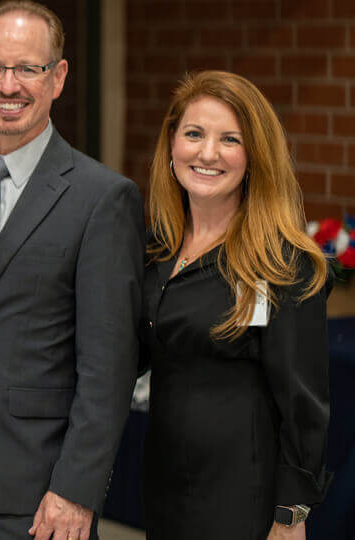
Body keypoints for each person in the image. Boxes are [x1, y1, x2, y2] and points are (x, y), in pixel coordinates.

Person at [0, 0, 144, 540]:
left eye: (27, 69)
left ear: (57, 77)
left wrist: (76, 489)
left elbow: (108, 368)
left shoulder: (102, 198)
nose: (8, 85)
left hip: (42, 486)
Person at [142, 69, 331, 540]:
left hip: (244, 503)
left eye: (230, 139)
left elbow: (303, 405)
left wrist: (291, 517)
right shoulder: (156, 251)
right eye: (194, 134)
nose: (207, 153)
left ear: (254, 156)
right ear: (171, 145)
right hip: (164, 491)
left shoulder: (283, 264)